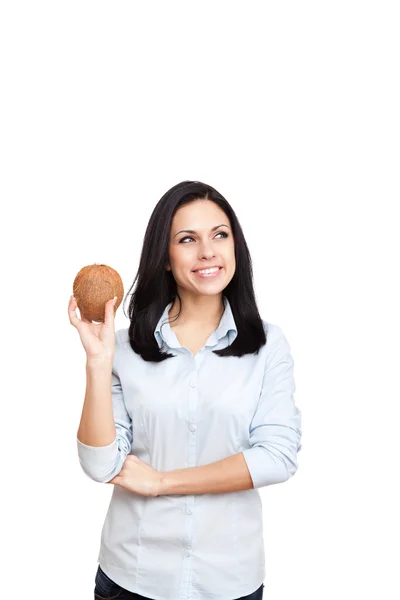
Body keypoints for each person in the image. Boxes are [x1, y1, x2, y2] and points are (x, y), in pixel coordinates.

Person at [69, 180, 302, 600]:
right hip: (134, 575)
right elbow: (100, 463)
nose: (208, 251)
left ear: (236, 247)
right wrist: (98, 363)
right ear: (164, 257)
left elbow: (277, 457)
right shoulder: (123, 348)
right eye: (187, 239)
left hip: (229, 578)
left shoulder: (268, 345)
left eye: (220, 235)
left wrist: (163, 482)